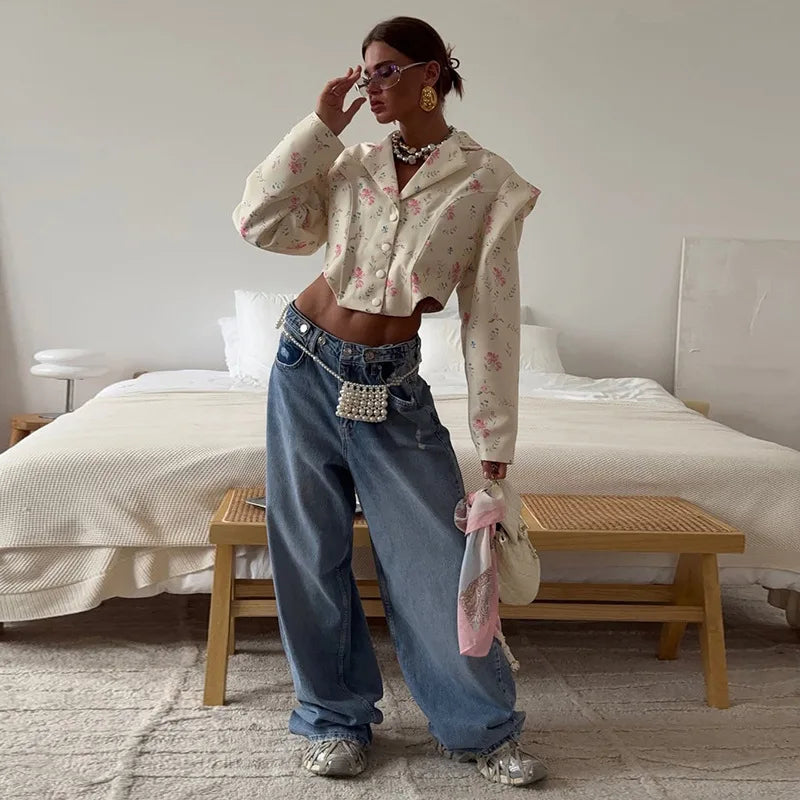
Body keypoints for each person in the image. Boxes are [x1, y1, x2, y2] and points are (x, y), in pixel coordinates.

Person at [232, 15, 545, 787]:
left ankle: (478, 729)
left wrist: (494, 438)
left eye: (385, 71)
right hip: (305, 364)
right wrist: (319, 128)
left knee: (439, 561)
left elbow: (491, 317)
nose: (369, 85)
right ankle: (333, 720)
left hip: (392, 386)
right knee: (309, 552)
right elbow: (258, 222)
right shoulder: (350, 164)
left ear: (430, 73)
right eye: (363, 71)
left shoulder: (489, 183)